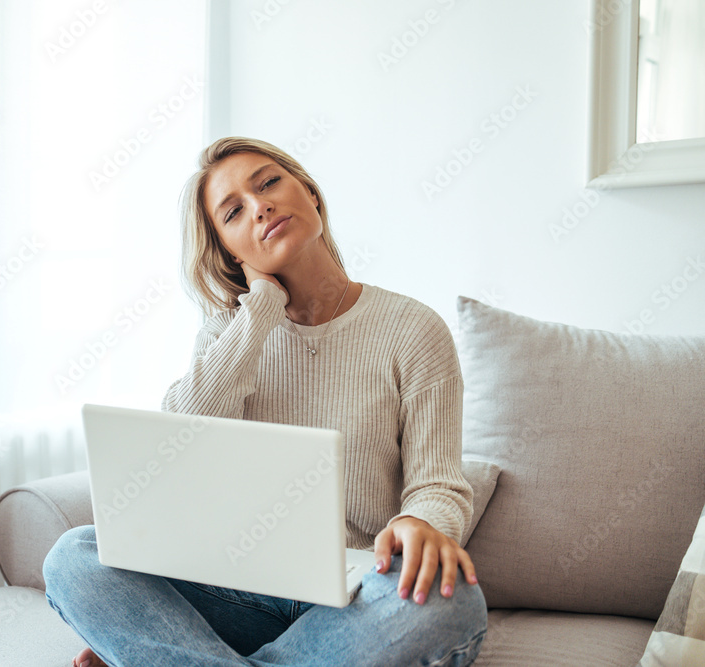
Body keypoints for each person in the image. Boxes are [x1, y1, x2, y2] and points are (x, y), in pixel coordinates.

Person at [44, 136, 488, 666]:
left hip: (356, 592)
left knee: (453, 600)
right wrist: (261, 311)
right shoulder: (229, 334)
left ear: (311, 194)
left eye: (269, 183)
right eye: (234, 212)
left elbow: (437, 483)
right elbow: (175, 446)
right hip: (237, 585)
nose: (261, 207)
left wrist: (423, 525)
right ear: (232, 250)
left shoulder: (412, 329)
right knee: (75, 556)